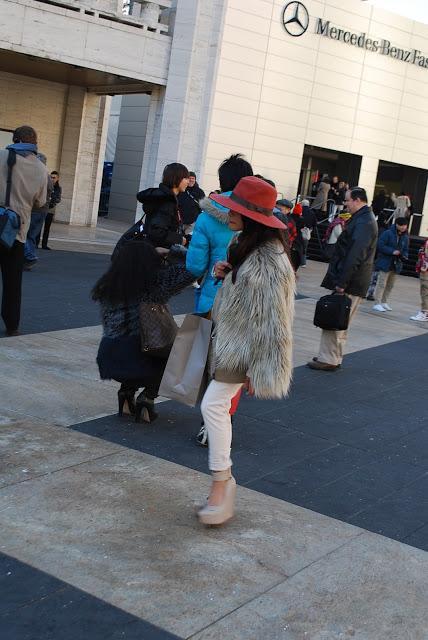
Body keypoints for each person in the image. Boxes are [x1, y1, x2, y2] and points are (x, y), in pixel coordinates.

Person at [196, 176, 295, 526]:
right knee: (215, 405)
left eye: (235, 208)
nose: (228, 212)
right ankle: (222, 486)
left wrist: (260, 366)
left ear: (251, 216)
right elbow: (244, 293)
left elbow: (274, 321)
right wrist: (225, 272)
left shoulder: (270, 260)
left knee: (213, 405)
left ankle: (222, 485)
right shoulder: (246, 244)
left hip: (245, 347)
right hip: (231, 340)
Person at [93, 239, 194, 422]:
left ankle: (126, 391)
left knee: (133, 347)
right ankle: (147, 397)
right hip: (140, 360)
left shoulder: (106, 286)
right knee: (188, 349)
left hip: (109, 359)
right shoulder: (153, 285)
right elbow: (192, 269)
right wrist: (174, 252)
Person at [308, 187, 377, 371]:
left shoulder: (364, 223)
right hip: (352, 281)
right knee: (338, 319)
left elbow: (355, 256)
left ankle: (329, 359)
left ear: (357, 200)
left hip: (350, 282)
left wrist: (341, 283)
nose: (345, 204)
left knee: (336, 319)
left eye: (347, 201)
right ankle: (331, 356)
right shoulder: (363, 220)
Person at [186, 153, 253, 316]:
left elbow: (195, 267)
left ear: (221, 181)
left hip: (213, 296)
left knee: (206, 340)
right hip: (248, 301)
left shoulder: (206, 217)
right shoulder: (257, 215)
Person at [0, 125, 48, 336]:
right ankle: (12, 326)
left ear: (15, 139)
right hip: (16, 232)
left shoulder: (1, 156)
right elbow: (40, 203)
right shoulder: (40, 169)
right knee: (13, 283)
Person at [112, 163, 189, 259]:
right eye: (185, 178)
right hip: (154, 255)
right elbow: (156, 231)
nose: (188, 181)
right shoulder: (167, 202)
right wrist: (180, 239)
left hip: (150, 252)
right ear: (176, 179)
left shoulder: (166, 198)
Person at [372, 218, 409, 312]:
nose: (404, 227)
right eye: (402, 225)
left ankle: (384, 302)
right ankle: (377, 303)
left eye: (405, 225)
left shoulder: (405, 236)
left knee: (390, 284)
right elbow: (380, 245)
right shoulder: (387, 233)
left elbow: (406, 249)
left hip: (397, 264)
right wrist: (392, 251)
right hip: (385, 262)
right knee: (381, 283)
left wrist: (404, 256)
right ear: (397, 225)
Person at [24, 154, 52, 270]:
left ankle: (29, 256)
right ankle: (27, 259)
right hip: (42, 210)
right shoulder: (48, 176)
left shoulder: (40, 174)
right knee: (32, 235)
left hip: (35, 209)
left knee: (26, 234)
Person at [177, 171, 205, 237]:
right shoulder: (181, 189)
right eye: (190, 178)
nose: (191, 180)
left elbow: (204, 206)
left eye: (193, 178)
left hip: (192, 223)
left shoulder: (199, 191)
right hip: (180, 221)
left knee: (188, 240)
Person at [40, 171, 62, 250]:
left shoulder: (58, 188)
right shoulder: (45, 185)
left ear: (57, 178)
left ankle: (44, 245)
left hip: (50, 210)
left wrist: (52, 201)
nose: (52, 179)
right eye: (51, 177)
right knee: (38, 227)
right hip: (42, 208)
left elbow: (58, 199)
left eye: (54, 178)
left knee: (47, 228)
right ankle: (35, 243)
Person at [410, 239, 428, 322]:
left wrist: (423, 267)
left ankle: (424, 313)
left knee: (424, 291)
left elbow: (426, 256)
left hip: (426, 270)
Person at [289, 202, 305, 272]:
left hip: (291, 236)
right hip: (298, 238)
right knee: (298, 252)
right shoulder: (301, 219)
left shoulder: (290, 217)